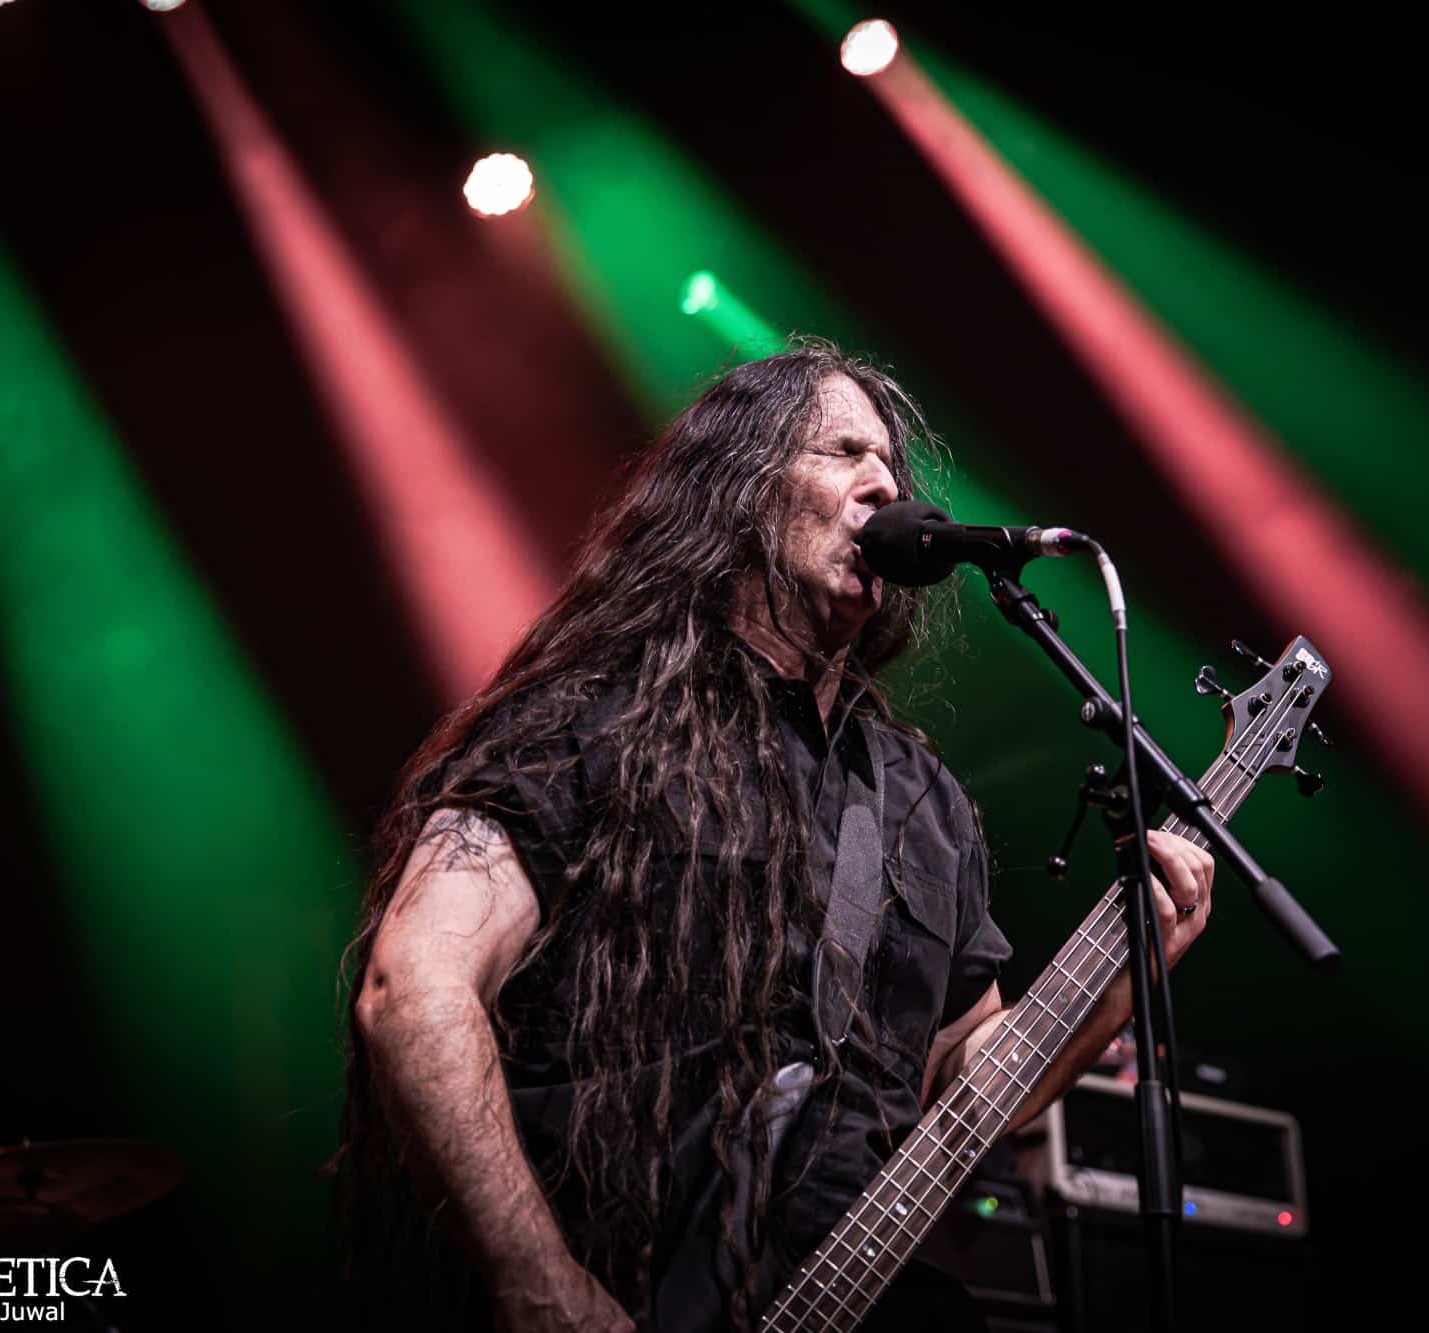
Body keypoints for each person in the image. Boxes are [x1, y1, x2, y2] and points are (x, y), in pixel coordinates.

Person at [334, 340, 1214, 1332]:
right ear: (741, 491)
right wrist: (535, 1281)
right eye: (842, 452)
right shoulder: (587, 726)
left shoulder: (920, 801)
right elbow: (413, 985)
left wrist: (1118, 981)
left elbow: (967, 1085)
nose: (884, 484)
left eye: (889, 464)